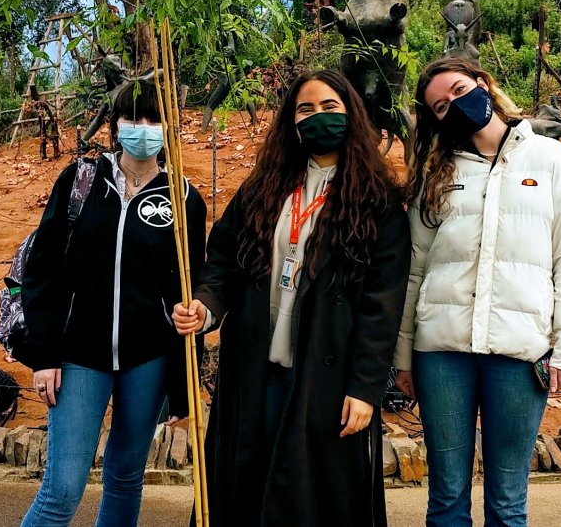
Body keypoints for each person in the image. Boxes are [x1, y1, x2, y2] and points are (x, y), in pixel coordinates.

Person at [174, 69, 411, 527]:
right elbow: (223, 259)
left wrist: (364, 389)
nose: (317, 117)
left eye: (329, 108)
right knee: (247, 488)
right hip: (255, 371)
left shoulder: (377, 201)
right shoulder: (264, 187)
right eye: (306, 109)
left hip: (325, 378)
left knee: (309, 502)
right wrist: (205, 306)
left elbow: (382, 305)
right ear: (291, 120)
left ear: (351, 115)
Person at [394, 57, 561, 527]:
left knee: (507, 501)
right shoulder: (436, 175)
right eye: (441, 107)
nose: (455, 106)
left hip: (519, 353)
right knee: (446, 498)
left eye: (460, 91)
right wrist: (403, 356)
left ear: (483, 83)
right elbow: (414, 269)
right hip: (441, 353)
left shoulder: (550, 160)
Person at [19, 79, 206, 527]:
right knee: (62, 488)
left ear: (168, 127)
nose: (142, 128)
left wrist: (187, 364)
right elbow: (42, 270)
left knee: (125, 479)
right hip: (79, 354)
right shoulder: (80, 180)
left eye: (152, 119)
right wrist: (44, 355)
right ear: (115, 124)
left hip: (149, 358)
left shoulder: (183, 200)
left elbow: (192, 288)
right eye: (131, 118)